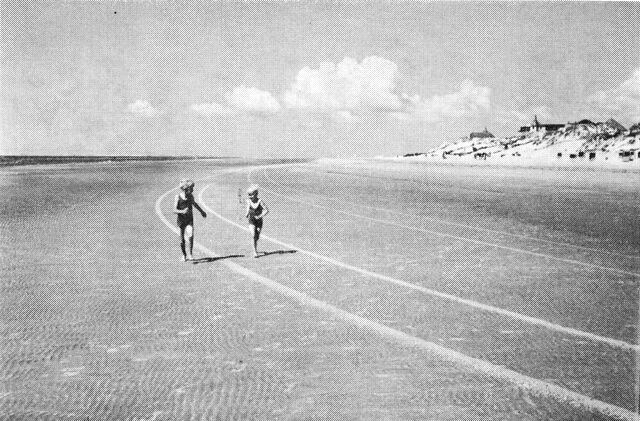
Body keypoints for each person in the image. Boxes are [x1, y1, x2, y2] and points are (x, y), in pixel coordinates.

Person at [174, 179, 206, 261]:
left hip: (189, 220)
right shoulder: (177, 197)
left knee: (190, 236)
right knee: (181, 241)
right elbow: (174, 210)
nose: (193, 190)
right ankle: (184, 255)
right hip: (181, 220)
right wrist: (182, 211)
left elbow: (195, 204)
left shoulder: (190, 196)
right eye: (191, 188)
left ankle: (190, 254)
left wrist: (202, 212)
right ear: (186, 188)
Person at [245, 185, 268, 257]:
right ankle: (254, 251)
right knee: (253, 235)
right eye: (248, 195)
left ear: (256, 194)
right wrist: (247, 213)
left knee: (257, 236)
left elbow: (266, 210)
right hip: (251, 220)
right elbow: (248, 208)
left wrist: (260, 216)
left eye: (251, 195)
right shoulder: (248, 201)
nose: (250, 197)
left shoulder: (260, 201)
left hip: (259, 221)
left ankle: (255, 247)